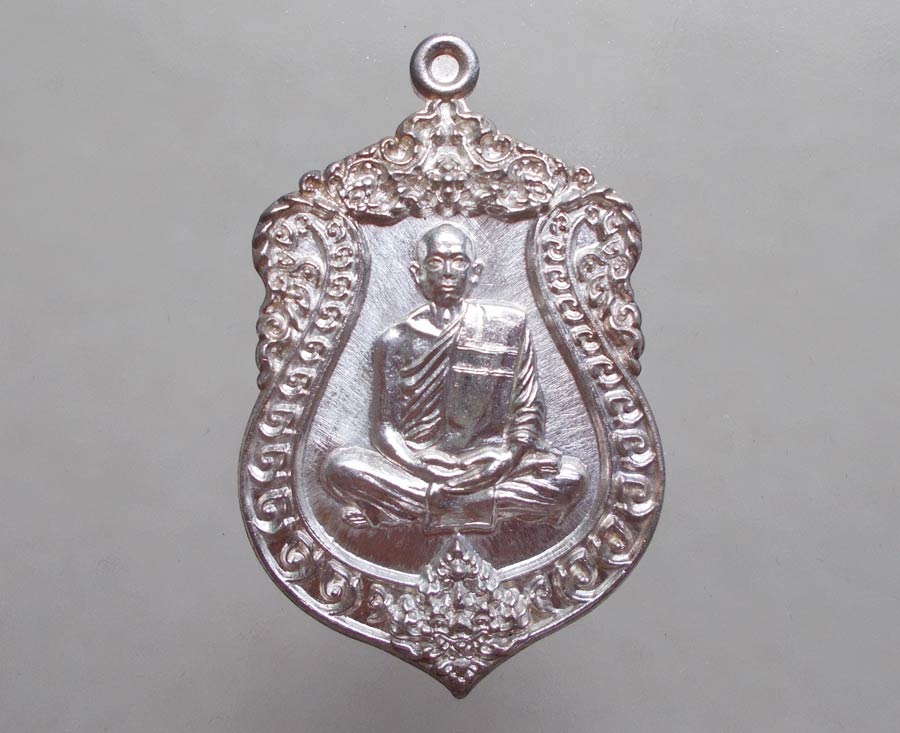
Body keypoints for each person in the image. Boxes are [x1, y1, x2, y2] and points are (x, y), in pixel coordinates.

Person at [322, 223, 587, 533]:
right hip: (419, 466)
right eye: (436, 262)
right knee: (340, 468)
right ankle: (469, 503)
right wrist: (416, 464)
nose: (448, 272)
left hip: (489, 463)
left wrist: (508, 456)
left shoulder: (507, 327)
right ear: (417, 273)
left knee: (572, 478)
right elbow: (385, 427)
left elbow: (528, 409)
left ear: (474, 272)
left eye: (458, 261)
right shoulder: (394, 341)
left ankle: (417, 506)